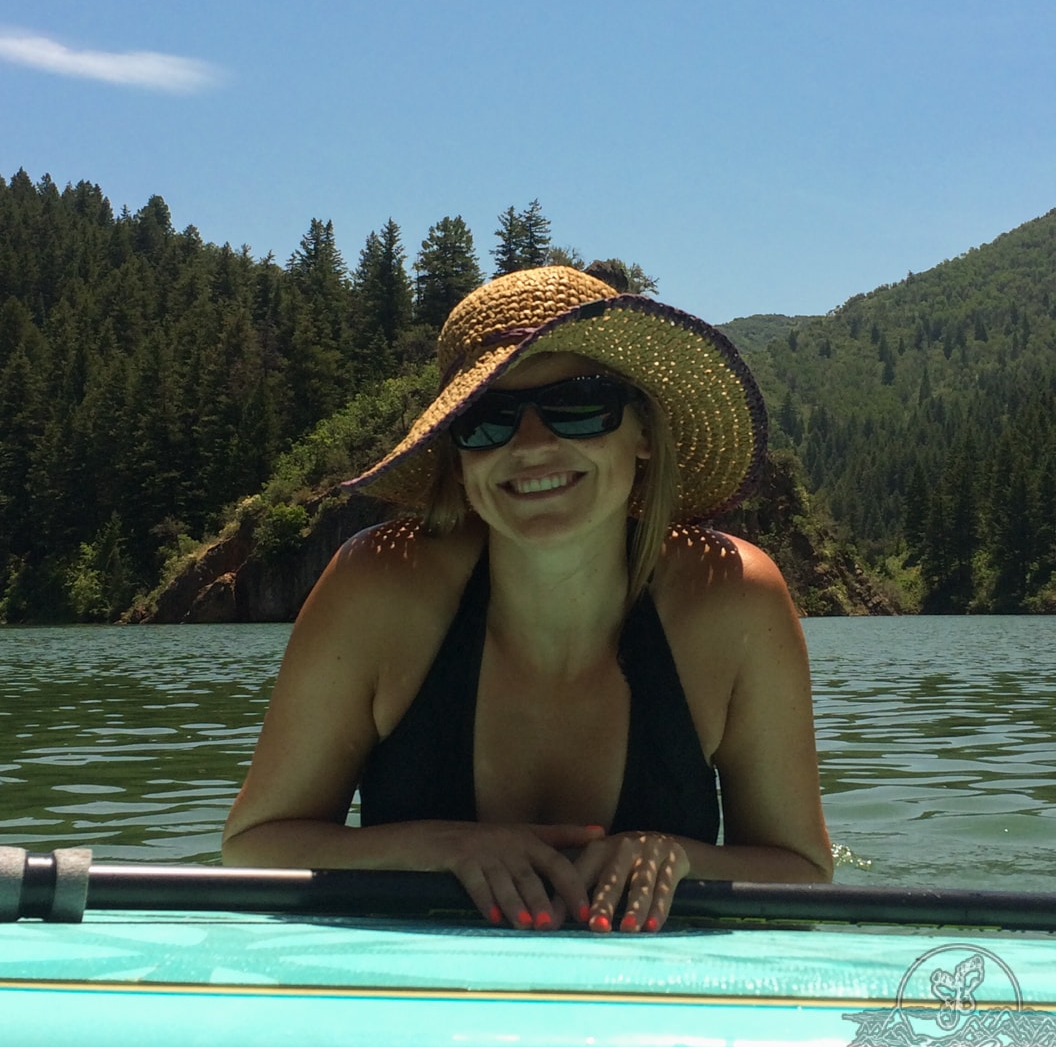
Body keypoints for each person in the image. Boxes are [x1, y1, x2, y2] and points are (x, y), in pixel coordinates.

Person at [223, 266, 833, 932]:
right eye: (488, 419)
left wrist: (677, 858)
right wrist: (443, 847)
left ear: (644, 435)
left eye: (579, 405)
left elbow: (799, 868)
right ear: (458, 456)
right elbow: (255, 848)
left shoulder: (732, 599)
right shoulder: (378, 587)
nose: (533, 445)